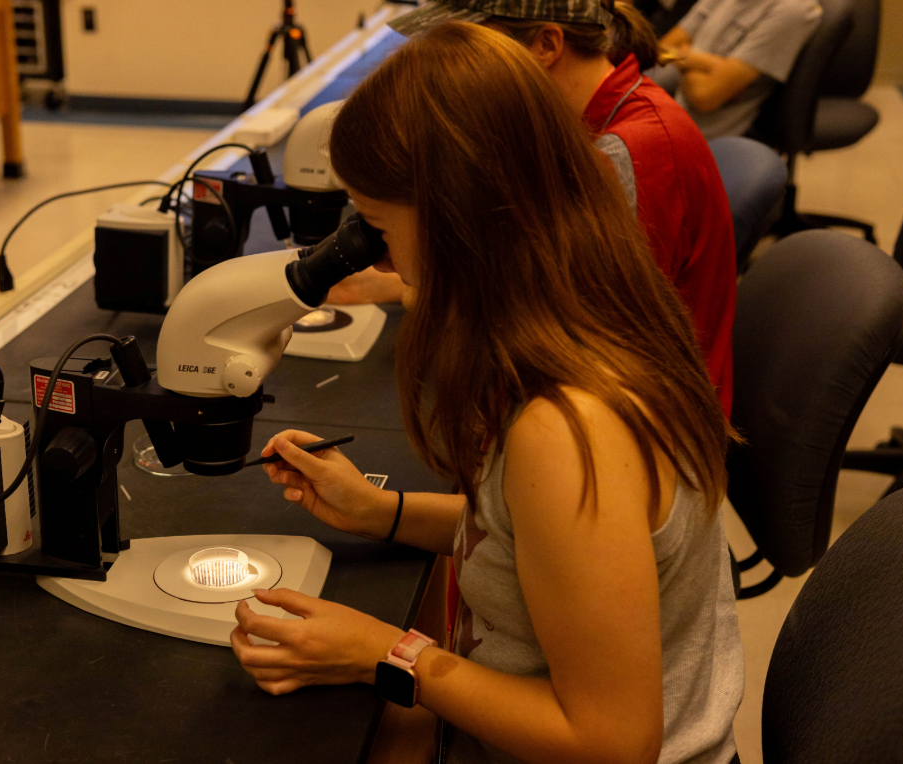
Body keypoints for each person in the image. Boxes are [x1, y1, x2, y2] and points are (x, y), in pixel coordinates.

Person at [229, 22, 744, 764]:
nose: (382, 258)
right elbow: (537, 541)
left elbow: (611, 742)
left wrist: (383, 651)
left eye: (378, 227)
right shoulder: (597, 305)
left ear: (461, 221)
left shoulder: (565, 431)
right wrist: (382, 511)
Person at [333, 0, 737, 418]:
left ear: (547, 44)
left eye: (475, 48)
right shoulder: (582, 126)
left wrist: (426, 289)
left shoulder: (626, 154)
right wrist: (391, 279)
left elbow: (564, 337)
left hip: (647, 430)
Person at [655, 0, 823, 139]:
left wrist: (684, 57)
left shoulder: (792, 10)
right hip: (665, 111)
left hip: (697, 138)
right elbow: (661, 49)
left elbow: (704, 96)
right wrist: (704, 63)